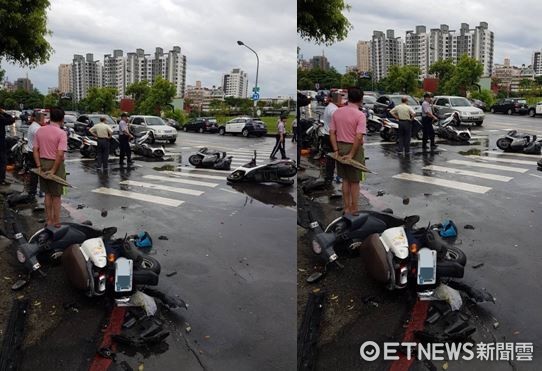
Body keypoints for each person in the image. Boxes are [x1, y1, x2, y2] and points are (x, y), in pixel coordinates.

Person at [329, 87, 366, 215]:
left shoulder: (337, 112)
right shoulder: (360, 115)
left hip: (339, 147)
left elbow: (332, 132)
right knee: (355, 181)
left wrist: (336, 150)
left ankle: (346, 208)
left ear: (348, 97)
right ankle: (354, 209)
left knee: (345, 179)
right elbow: (359, 136)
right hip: (354, 149)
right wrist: (351, 154)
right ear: (361, 99)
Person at [33, 107, 67, 226]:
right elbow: (60, 154)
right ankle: (57, 222)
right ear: (62, 119)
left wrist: (39, 166)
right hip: (56, 165)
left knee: (47, 194)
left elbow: (35, 149)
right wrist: (53, 170)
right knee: (56, 195)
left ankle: (49, 220)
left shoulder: (40, 130)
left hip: (42, 163)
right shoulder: (61, 133)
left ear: (50, 117)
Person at [322, 92, 341, 184]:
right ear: (334, 99)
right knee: (334, 157)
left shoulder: (329, 107)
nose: (341, 100)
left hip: (326, 134)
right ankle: (331, 177)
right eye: (340, 99)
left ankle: (329, 177)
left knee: (330, 158)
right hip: (331, 136)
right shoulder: (334, 110)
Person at [25, 112, 42, 197]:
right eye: (42, 118)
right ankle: (34, 192)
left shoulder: (33, 125)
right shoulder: (37, 128)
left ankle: (33, 191)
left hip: (31, 151)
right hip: (34, 152)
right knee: (36, 173)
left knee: (34, 173)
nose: (44, 120)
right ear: (37, 118)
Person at [0, 108, 16, 186]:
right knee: (3, 162)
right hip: (1, 143)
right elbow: (11, 120)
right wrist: (4, 113)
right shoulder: (1, 117)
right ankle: (1, 180)